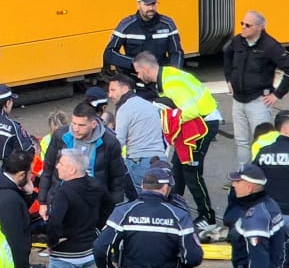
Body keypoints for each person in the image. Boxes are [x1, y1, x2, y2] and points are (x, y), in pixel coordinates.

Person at [138, 52, 221, 224]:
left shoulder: (171, 84)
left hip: (202, 126)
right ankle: (173, 207)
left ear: (146, 68)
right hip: (196, 125)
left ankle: (207, 216)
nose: (138, 76)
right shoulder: (168, 74)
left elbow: (191, 111)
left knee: (192, 173)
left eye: (138, 72)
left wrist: (171, 119)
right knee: (178, 169)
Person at [223, 10, 289, 161]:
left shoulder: (270, 46)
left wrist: (277, 94)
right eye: (242, 23)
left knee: (262, 141)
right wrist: (229, 78)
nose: (243, 27)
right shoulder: (238, 41)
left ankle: (261, 175)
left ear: (259, 27)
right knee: (241, 142)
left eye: (247, 25)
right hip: (238, 100)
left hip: (258, 101)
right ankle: (243, 175)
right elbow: (227, 54)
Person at [39, 101, 134, 215]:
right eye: (74, 123)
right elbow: (48, 169)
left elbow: (117, 178)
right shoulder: (61, 136)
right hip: (62, 199)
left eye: (81, 125)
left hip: (93, 204)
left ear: (93, 124)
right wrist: (43, 202)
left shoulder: (110, 142)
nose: (76, 129)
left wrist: (114, 209)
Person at [102, 0, 182, 77]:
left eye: (153, 4)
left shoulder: (167, 24)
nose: (151, 8)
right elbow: (110, 53)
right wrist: (134, 64)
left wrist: (174, 73)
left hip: (159, 75)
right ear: (138, 5)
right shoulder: (126, 25)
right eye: (147, 5)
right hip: (133, 76)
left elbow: (176, 52)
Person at [107, 72, 168, 187]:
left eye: (113, 90)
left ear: (125, 88)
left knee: (145, 200)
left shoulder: (125, 108)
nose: (110, 95)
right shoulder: (148, 105)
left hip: (140, 162)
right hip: (160, 159)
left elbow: (119, 141)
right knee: (160, 198)